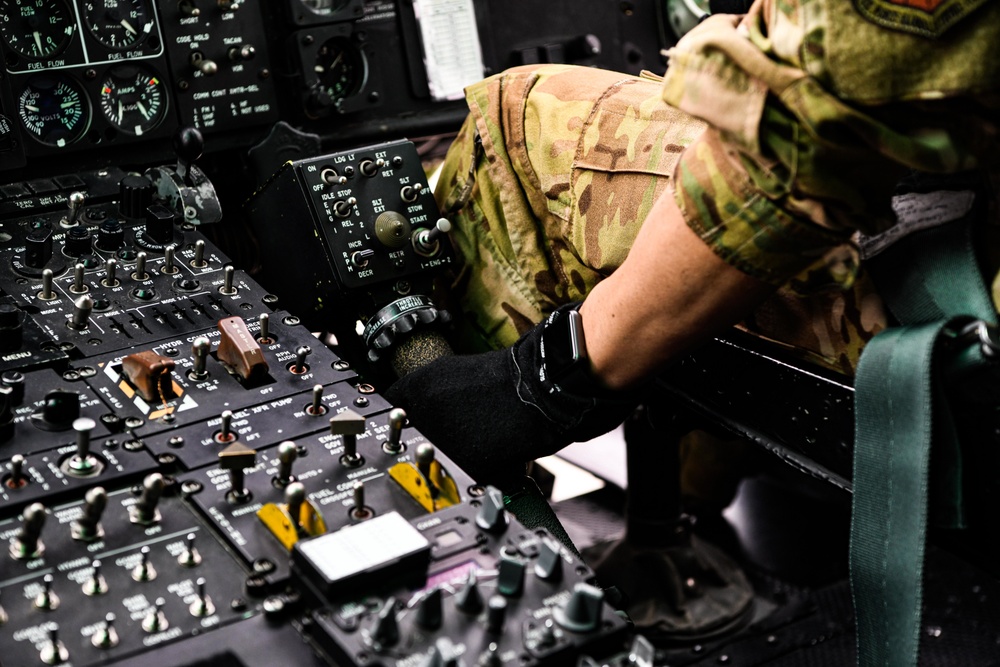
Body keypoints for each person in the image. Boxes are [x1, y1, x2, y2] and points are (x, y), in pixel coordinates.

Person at [386, 0, 1000, 486]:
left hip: (967, 291)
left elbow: (798, 138)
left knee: (517, 121)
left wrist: (542, 378)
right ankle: (697, 517)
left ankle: (454, 495)